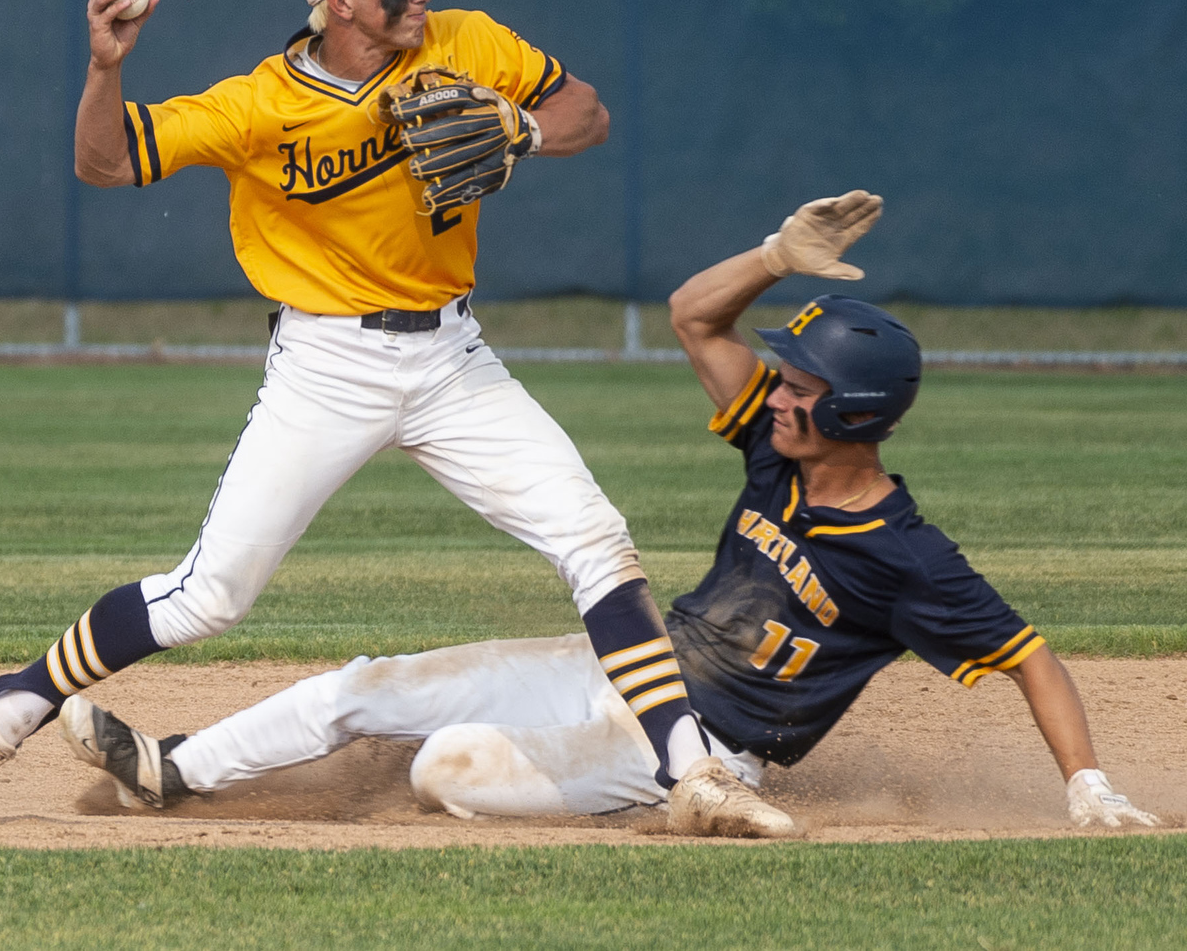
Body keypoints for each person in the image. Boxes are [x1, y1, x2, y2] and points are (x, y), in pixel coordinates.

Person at [0, 0, 794, 837]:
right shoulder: (260, 107)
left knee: (596, 538)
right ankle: (1, 712)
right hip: (327, 364)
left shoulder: (467, 42)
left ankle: (691, 773)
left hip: (451, 357)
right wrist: (106, 64)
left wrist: (522, 132)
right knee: (210, 597)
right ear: (341, 2)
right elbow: (104, 162)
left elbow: (587, 112)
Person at [57, 191, 1160, 833]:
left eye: (798, 388)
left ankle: (664, 802)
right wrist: (775, 258)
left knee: (445, 766)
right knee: (369, 687)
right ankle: (171, 769)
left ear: (856, 414)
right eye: (778, 379)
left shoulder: (908, 557)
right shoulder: (777, 456)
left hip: (711, 746)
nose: (774, 393)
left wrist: (1087, 785)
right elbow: (692, 315)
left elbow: (1028, 657)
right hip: (635, 667)